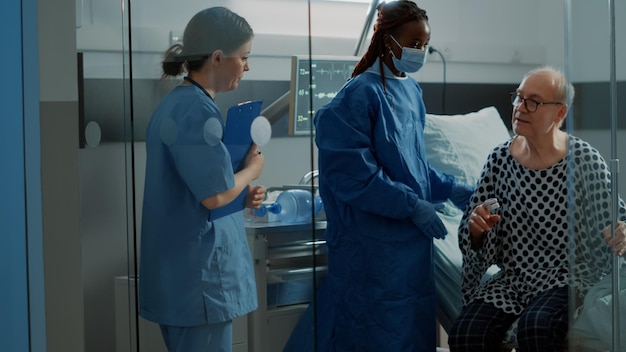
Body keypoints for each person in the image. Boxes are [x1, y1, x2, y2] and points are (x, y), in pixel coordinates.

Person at [312, 1, 474, 350]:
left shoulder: (411, 91)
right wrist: (413, 206)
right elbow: (356, 179)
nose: (420, 52)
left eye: (425, 45)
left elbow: (413, 166)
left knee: (413, 335)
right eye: (413, 44)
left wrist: (454, 189)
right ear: (388, 42)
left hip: (412, 256)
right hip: (370, 253)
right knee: (374, 335)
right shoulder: (354, 99)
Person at [448, 66, 626, 352]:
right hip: (515, 279)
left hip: (568, 275)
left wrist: (620, 231)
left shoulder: (583, 159)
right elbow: (474, 236)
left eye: (534, 101)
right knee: (466, 333)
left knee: (537, 328)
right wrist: (476, 229)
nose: (521, 107)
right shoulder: (499, 160)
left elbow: (615, 219)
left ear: (559, 114)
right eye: (518, 98)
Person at [139, 7, 266, 352]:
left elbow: (193, 192)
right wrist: (250, 172)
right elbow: (214, 196)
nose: (247, 66)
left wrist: (243, 193)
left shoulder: (175, 106)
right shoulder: (198, 113)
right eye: (244, 57)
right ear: (218, 58)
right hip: (199, 283)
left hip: (180, 280)